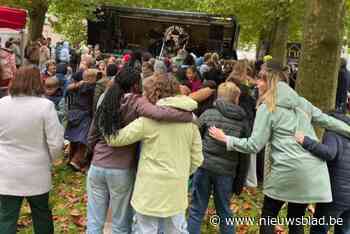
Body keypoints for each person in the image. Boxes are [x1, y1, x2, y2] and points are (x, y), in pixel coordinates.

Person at [208, 60, 350, 234]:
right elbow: (329, 121)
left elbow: (254, 144)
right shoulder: (302, 103)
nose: (257, 83)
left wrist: (227, 139)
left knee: (269, 215)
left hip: (287, 169)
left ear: (270, 81)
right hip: (310, 172)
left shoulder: (268, 107)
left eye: (260, 79)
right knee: (296, 219)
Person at [87, 71, 193, 234]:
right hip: (121, 168)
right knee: (120, 223)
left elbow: (93, 132)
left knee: (94, 221)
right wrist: (185, 115)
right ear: (136, 85)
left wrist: (92, 153)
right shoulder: (137, 102)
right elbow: (159, 113)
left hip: (97, 165)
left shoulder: (105, 98)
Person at [0, 65, 64, 234]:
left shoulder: (2, 104)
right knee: (41, 213)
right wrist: (53, 159)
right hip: (37, 170)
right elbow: (56, 143)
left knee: (7, 216)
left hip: (6, 171)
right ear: (38, 82)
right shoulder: (45, 106)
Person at [188, 82, 250, 234]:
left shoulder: (208, 114)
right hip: (226, 172)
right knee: (224, 210)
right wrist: (239, 182)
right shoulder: (243, 122)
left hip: (204, 166)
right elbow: (244, 155)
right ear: (237, 99)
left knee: (196, 209)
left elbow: (193, 137)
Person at [294, 112, 350, 234]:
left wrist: (305, 140)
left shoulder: (333, 133)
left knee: (320, 229)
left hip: (335, 195)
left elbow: (329, 153)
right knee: (344, 230)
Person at [64, 69, 97, 171]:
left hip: (74, 113)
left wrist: (77, 84)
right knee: (83, 139)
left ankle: (71, 158)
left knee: (74, 138)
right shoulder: (92, 87)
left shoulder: (78, 85)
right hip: (84, 115)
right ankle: (77, 161)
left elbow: (68, 89)